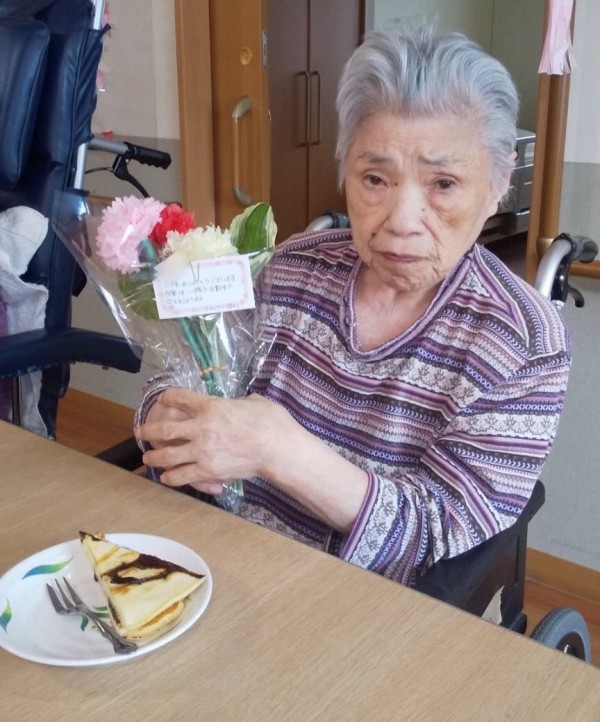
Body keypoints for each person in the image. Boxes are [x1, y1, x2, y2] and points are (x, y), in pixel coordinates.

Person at [134, 24, 571, 587]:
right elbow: (185, 376)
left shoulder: (523, 344)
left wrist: (281, 451)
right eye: (374, 179)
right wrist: (163, 413)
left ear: (498, 182)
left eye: (443, 184)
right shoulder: (292, 267)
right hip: (202, 559)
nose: (402, 221)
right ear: (344, 171)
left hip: (350, 606)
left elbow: (436, 539)